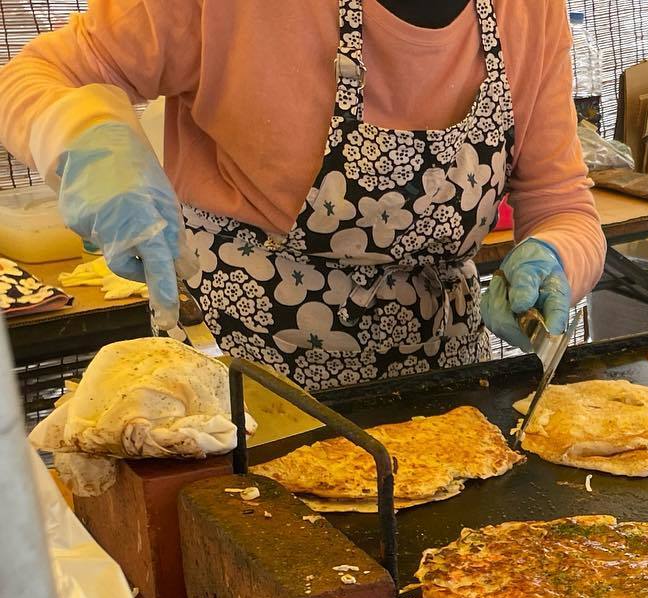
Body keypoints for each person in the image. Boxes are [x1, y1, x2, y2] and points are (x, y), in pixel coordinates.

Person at [0, 0, 606, 391]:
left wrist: (556, 256)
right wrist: (85, 139)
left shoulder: (530, 12)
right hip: (245, 382)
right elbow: (33, 75)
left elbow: (562, 204)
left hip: (448, 382)